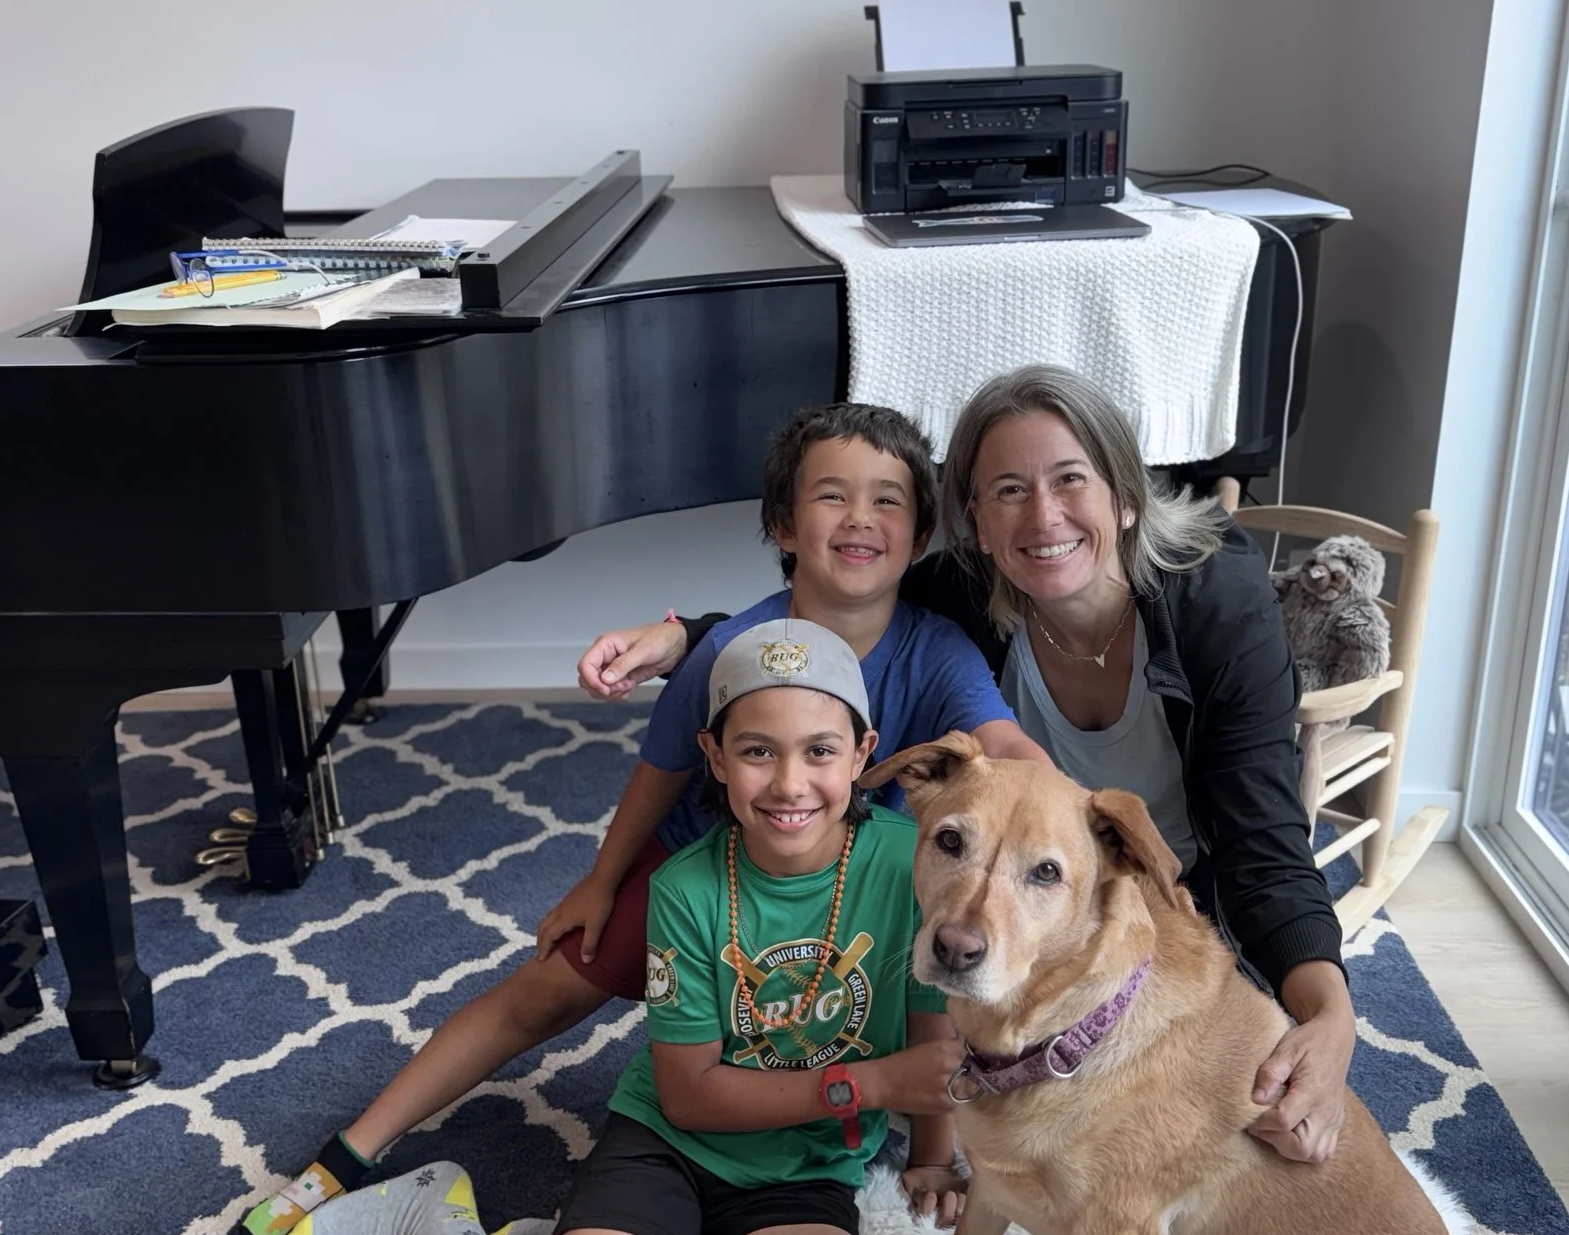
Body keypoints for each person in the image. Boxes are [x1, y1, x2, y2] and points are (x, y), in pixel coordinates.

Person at [234, 402, 1045, 1235]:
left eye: (887, 501)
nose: (858, 519)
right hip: (715, 855)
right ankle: (351, 1149)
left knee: (939, 977)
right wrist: (603, 878)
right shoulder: (724, 648)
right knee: (551, 985)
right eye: (831, 497)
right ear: (781, 523)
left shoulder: (943, 651)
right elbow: (660, 774)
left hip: (853, 883)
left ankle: (904, 1146)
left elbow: (1008, 749)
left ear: (919, 535)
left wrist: (1087, 819)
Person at [578, 364, 1357, 1162]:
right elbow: (834, 615)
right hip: (1010, 892)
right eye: (1008, 490)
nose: (1043, 514)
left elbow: (1267, 845)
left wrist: (1333, 1015)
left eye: (1069, 481)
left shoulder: (1220, 607)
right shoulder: (963, 596)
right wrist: (689, 638)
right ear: (975, 523)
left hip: (1175, 900)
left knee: (1251, 1135)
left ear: (1125, 497)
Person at [259, 622, 967, 1235]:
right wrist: (872, 1084)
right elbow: (691, 1095)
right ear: (712, 755)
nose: (790, 783)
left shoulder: (916, 863)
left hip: (798, 1176)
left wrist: (931, 1156)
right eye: (755, 751)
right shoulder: (685, 888)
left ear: (863, 752)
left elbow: (935, 1027)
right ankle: (434, 1219)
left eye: (820, 750)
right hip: (667, 1150)